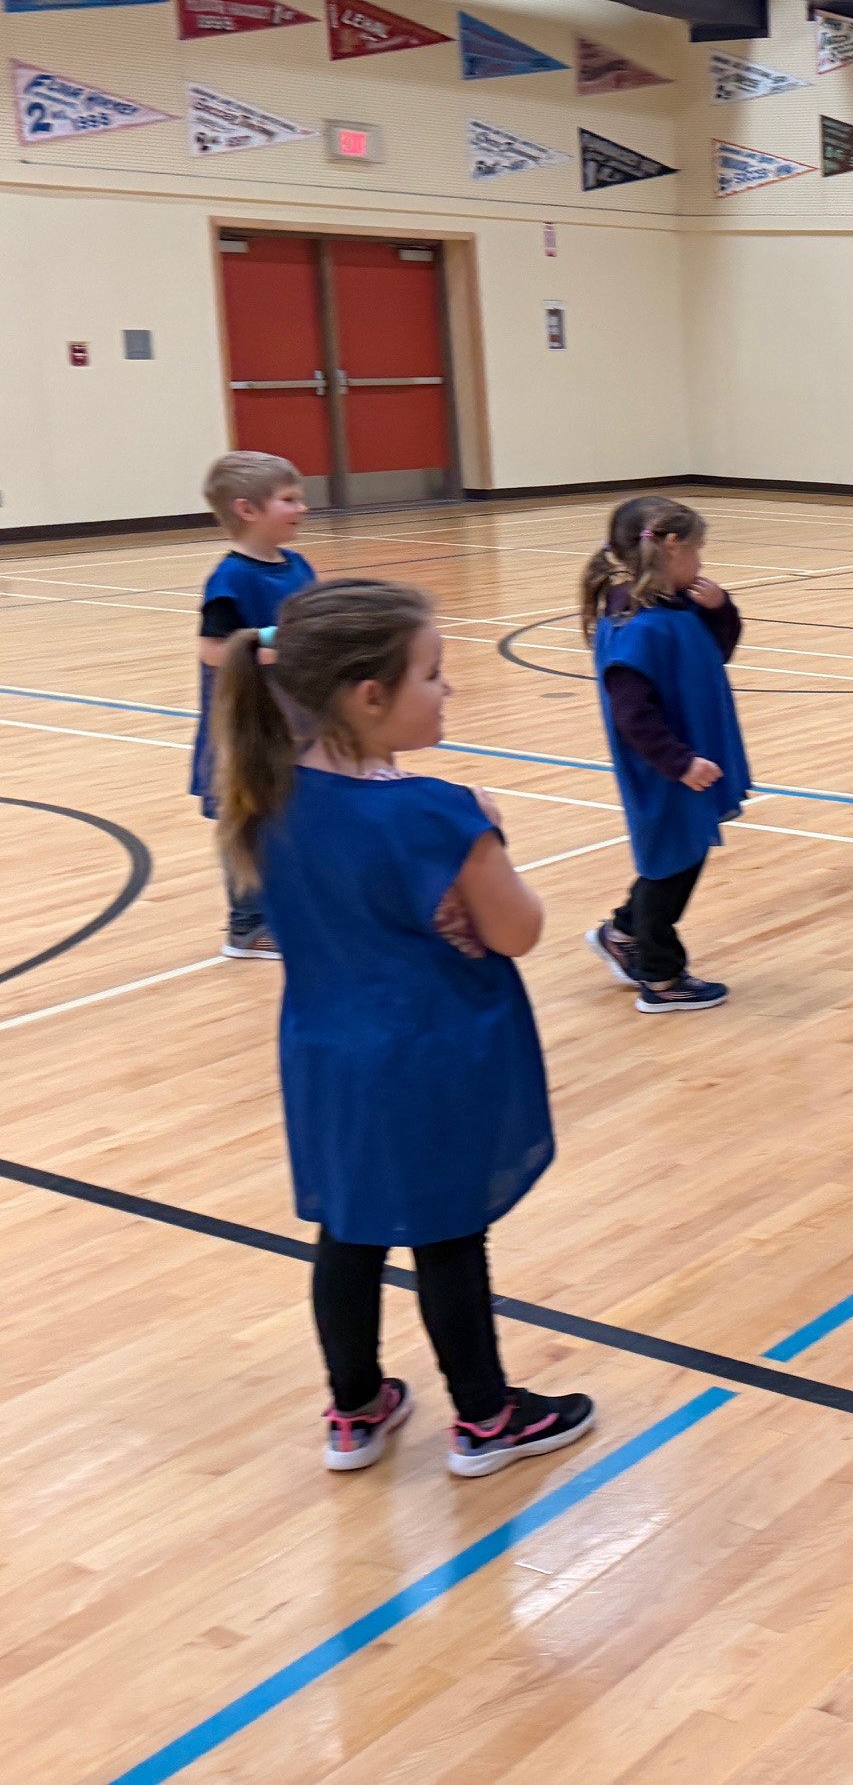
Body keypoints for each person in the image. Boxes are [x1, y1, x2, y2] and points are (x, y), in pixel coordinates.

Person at [213, 577, 595, 1478]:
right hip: (433, 1054)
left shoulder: (263, 796)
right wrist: (490, 836)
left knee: (348, 1231)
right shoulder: (438, 813)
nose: (448, 689)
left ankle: (354, 1409)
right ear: (369, 696)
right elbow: (519, 931)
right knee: (448, 1236)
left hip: (326, 1057)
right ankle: (487, 1417)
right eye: (433, 673)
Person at [579, 495, 751, 1014]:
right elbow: (632, 716)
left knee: (680, 855)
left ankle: (624, 932)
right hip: (664, 769)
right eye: (698, 551)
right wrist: (678, 763)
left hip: (687, 759)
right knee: (669, 866)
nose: (702, 564)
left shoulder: (676, 609)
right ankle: (659, 974)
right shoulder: (636, 625)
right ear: (670, 547)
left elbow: (714, 652)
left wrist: (721, 611)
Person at [192, 450, 316, 959]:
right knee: (249, 817)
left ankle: (289, 908)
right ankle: (247, 925)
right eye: (289, 500)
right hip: (246, 721)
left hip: (294, 717)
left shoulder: (299, 565)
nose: (301, 508)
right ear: (247, 509)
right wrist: (272, 638)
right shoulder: (232, 579)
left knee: (293, 812)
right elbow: (213, 648)